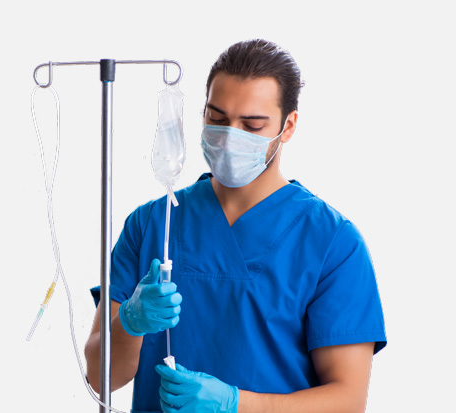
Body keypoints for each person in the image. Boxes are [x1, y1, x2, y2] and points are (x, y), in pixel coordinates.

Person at [85, 39, 387, 413]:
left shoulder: (332, 243)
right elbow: (99, 378)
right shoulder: (151, 225)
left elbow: (347, 401)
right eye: (217, 119)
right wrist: (129, 323)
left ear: (288, 126)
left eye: (252, 125)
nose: (229, 137)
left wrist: (235, 403)